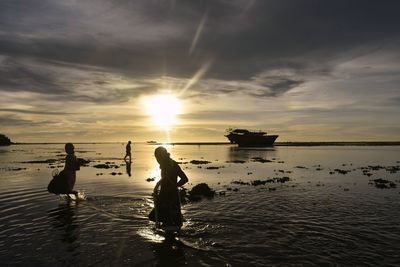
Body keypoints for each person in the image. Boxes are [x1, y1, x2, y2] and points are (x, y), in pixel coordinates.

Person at [150, 146, 189, 228]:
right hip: (165, 195)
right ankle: (169, 229)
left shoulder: (172, 164)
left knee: (154, 216)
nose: (157, 159)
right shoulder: (165, 164)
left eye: (158, 157)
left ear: (163, 155)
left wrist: (174, 186)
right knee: (168, 218)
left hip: (170, 196)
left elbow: (185, 179)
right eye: (156, 157)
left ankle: (169, 230)